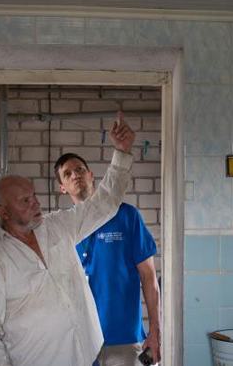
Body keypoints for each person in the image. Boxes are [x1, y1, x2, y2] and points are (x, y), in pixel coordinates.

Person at [0, 115, 136, 366]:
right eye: (24, 201)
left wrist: (121, 152)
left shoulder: (57, 226)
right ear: (3, 213)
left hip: (87, 354)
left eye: (33, 196)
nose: (35, 203)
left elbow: (104, 204)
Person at [55, 150, 160, 366]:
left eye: (80, 170)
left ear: (91, 175)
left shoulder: (127, 216)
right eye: (67, 174)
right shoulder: (62, 228)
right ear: (62, 188)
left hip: (124, 340)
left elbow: (149, 278)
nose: (75, 175)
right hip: (80, 342)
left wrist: (155, 332)